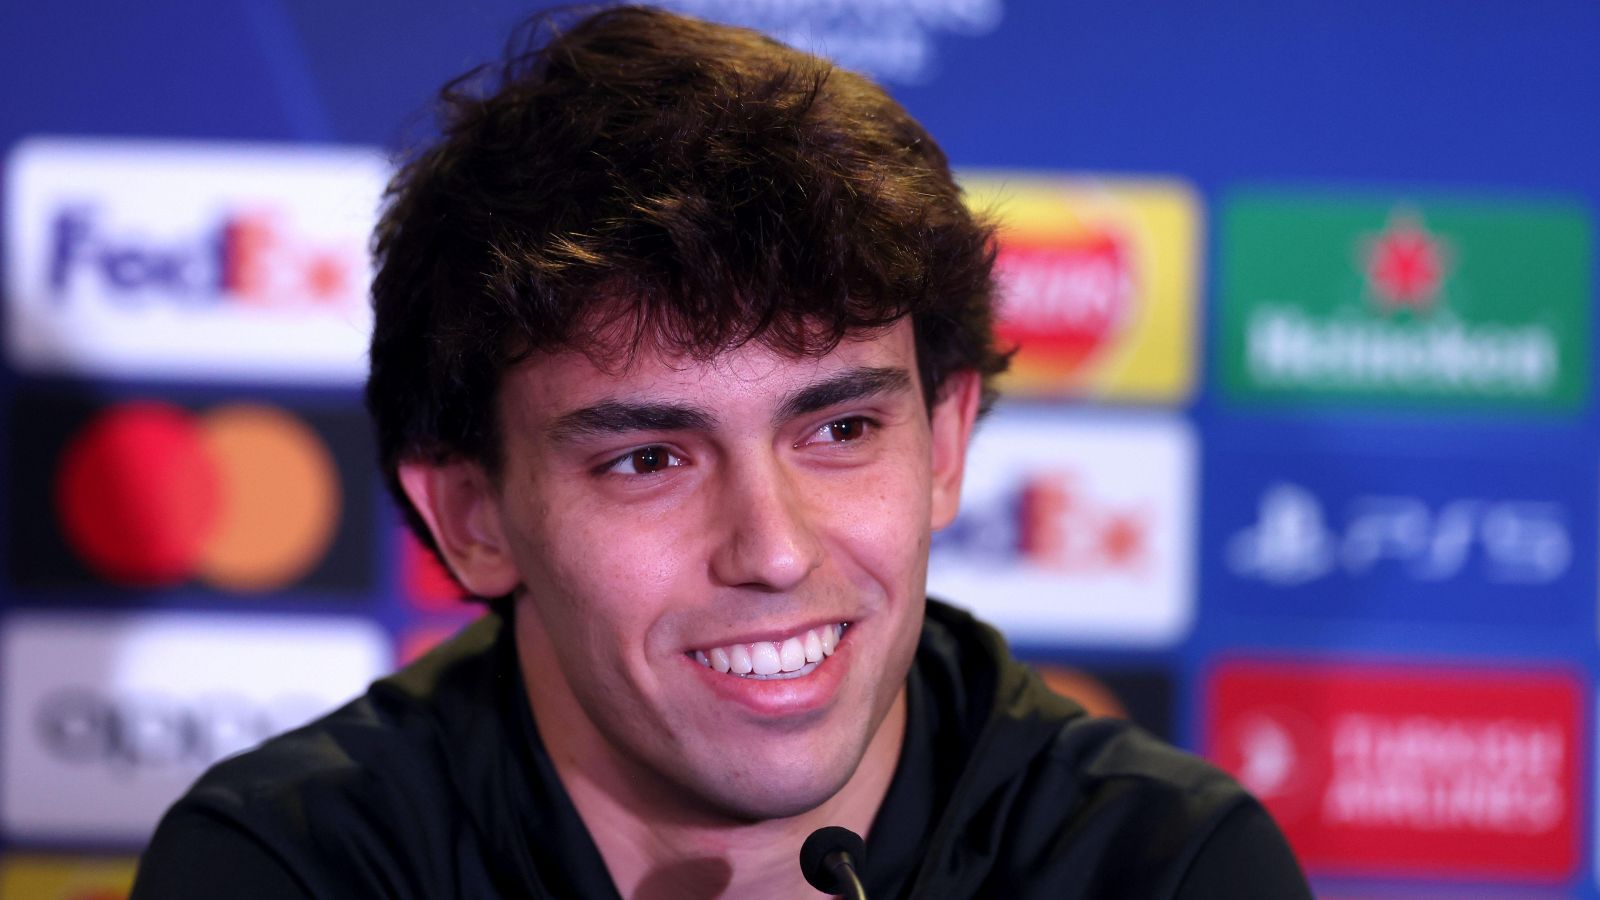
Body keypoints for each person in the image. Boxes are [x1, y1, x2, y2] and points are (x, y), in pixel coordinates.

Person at [133, 6, 1311, 898]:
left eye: (841, 430)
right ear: (472, 516)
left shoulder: (1157, 868)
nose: (774, 551)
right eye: (648, 459)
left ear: (947, 444)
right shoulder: (295, 869)